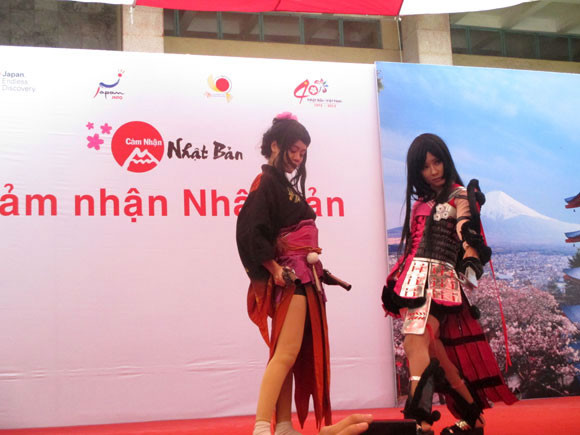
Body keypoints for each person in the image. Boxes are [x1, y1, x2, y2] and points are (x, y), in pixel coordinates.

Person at [381, 134, 517, 435]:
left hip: (439, 281)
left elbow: (466, 228)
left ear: (446, 160)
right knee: (436, 352)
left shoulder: (460, 196)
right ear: (417, 171)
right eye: (425, 166)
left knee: (414, 341)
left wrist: (470, 257)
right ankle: (473, 417)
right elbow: (413, 247)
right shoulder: (420, 204)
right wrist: (397, 279)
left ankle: (420, 423)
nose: (433, 171)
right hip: (410, 281)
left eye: (437, 162)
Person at [237, 113, 332, 435]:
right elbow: (251, 230)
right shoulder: (265, 183)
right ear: (275, 146)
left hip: (305, 274)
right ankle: (262, 424)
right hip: (292, 277)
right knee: (286, 352)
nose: (298, 158)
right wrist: (274, 268)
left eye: (303, 152)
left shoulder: (282, 185)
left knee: (289, 354)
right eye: (294, 150)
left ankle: (283, 424)